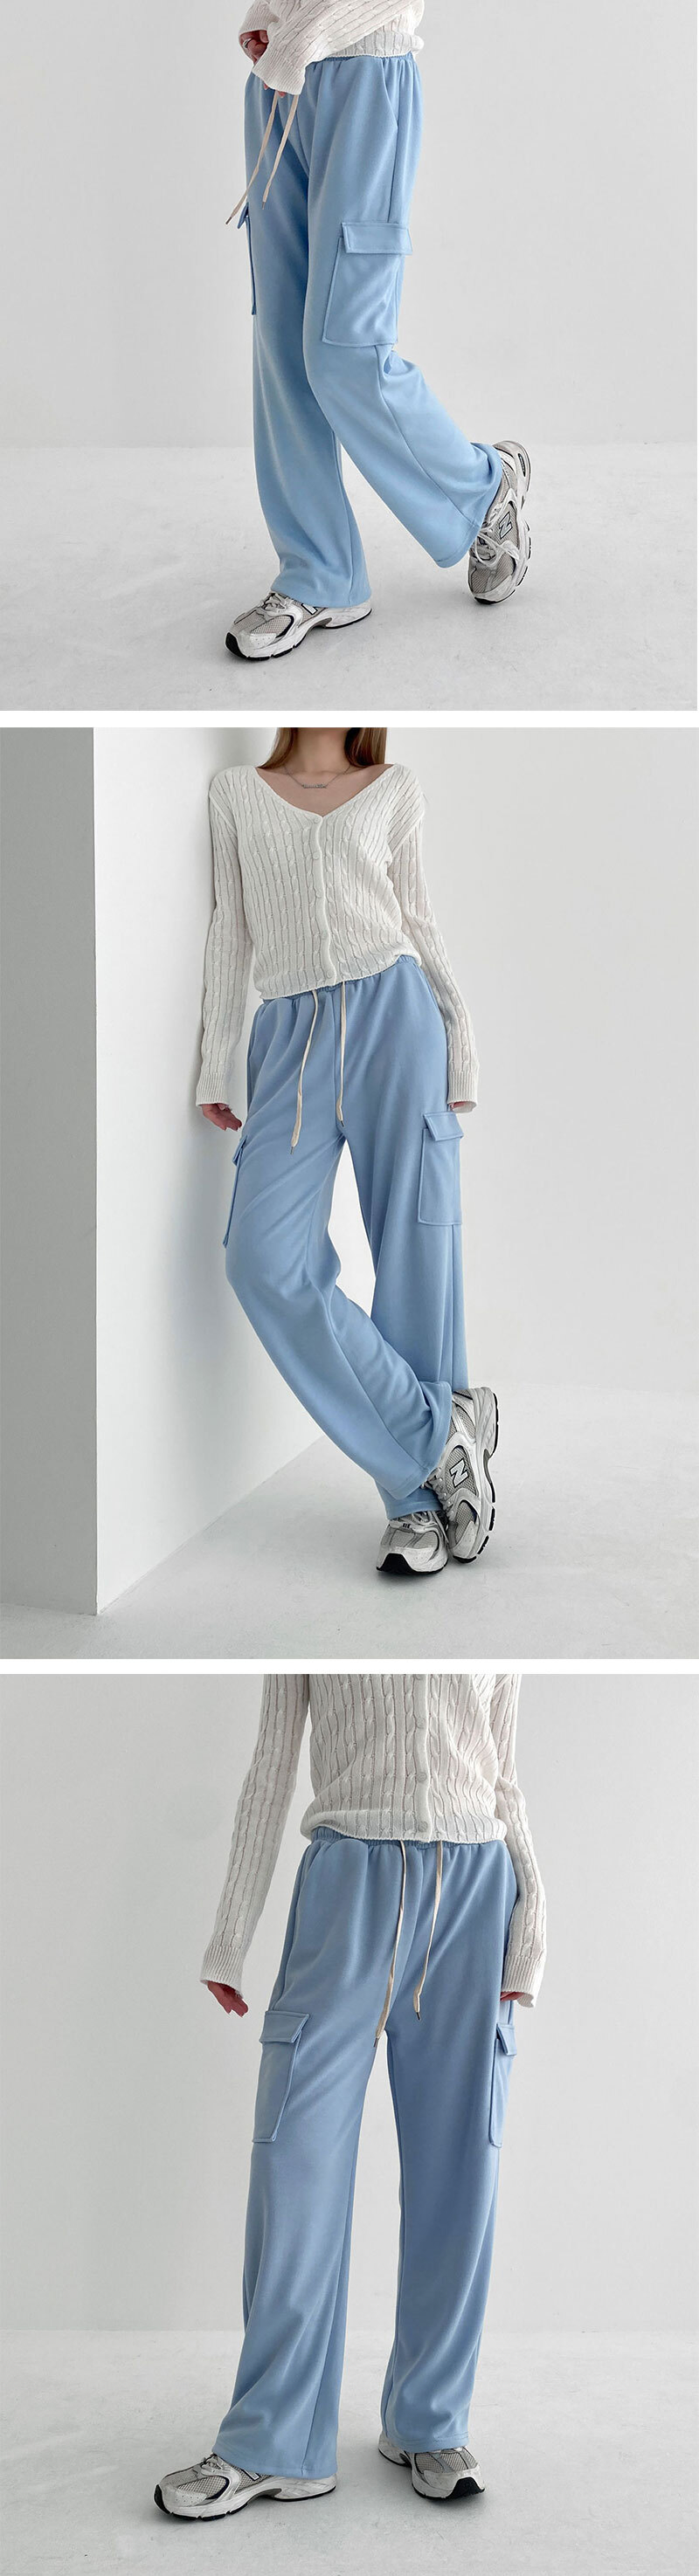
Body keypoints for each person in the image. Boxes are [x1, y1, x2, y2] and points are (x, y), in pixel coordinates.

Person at [155, 1668, 546, 2520]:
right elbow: (271, 1766)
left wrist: (531, 1927)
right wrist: (229, 1936)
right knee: (294, 2164)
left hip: (475, 1893)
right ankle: (274, 2441)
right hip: (343, 1883)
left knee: (458, 2176)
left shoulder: (496, 1633)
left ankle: (429, 2421)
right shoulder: (307, 1627)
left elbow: (504, 1777)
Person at [197, 723, 497, 1578]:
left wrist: (459, 1043)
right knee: (263, 1261)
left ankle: (411, 1503)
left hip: (395, 1016)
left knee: (413, 1252)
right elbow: (231, 927)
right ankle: (438, 1436)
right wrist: (219, 1057)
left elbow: (418, 918)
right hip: (287, 1035)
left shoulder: (394, 787)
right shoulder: (235, 792)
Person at [225, 3, 530, 658]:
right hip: (277, 78)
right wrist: (266, 14)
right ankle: (321, 574)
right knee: (282, 347)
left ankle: (483, 489)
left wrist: (302, 36)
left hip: (365, 72)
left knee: (345, 352)